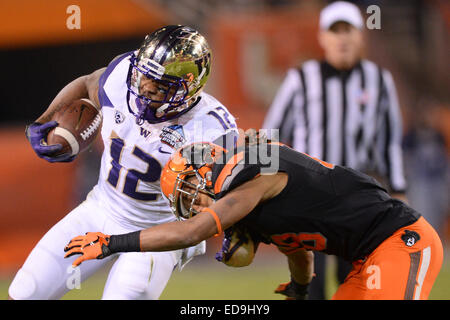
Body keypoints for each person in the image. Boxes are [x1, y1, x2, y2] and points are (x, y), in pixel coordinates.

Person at [8, 25, 238, 300]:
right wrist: (44, 121)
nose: (145, 89)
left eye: (159, 86)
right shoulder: (122, 76)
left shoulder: (212, 129)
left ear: (189, 88)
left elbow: (224, 199)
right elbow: (88, 81)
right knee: (27, 291)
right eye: (144, 78)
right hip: (101, 209)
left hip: (157, 231)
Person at [64, 134, 443, 300]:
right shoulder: (251, 210)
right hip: (363, 259)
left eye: (193, 194)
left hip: (401, 240)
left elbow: (191, 232)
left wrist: (112, 244)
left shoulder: (253, 177)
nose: (196, 206)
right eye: (187, 202)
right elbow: (298, 251)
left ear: (209, 171)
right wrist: (298, 289)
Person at [262, 1, 408, 299]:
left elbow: (390, 140)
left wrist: (398, 189)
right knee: (308, 280)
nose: (342, 38)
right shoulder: (301, 79)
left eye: (348, 30)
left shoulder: (379, 80)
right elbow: (271, 133)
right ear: (322, 38)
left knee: (355, 279)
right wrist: (263, 185)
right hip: (309, 194)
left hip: (359, 193)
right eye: (335, 31)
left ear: (360, 36)